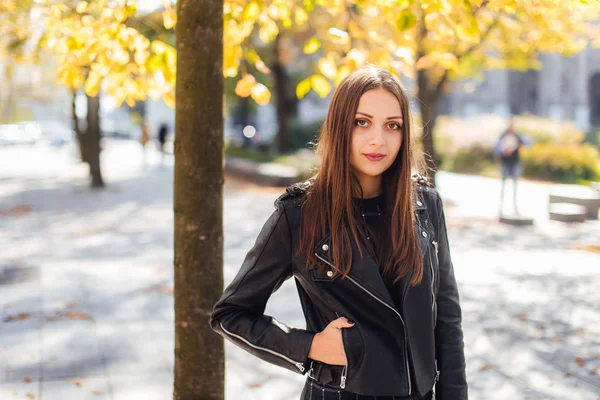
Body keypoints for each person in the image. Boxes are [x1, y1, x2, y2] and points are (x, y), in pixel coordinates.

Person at [210, 66, 467, 400]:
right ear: (339, 126)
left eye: (393, 125)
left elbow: (446, 319)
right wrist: (311, 346)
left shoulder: (425, 205)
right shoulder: (299, 214)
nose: (378, 139)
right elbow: (230, 315)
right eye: (362, 122)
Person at [493, 118, 531, 216]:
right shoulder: (503, 135)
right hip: (505, 163)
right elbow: (495, 148)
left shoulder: (517, 135)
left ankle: (515, 208)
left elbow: (528, 143)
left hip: (515, 163)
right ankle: (500, 208)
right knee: (503, 187)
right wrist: (504, 151)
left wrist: (518, 136)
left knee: (515, 187)